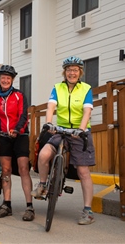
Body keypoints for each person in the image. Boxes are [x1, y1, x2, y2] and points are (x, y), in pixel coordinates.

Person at [31, 56, 96, 225]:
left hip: (79, 132)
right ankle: (43, 185)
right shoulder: (57, 88)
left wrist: (81, 130)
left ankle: (88, 211)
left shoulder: (86, 89)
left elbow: (87, 111)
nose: (71, 73)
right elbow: (51, 106)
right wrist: (49, 123)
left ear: (80, 72)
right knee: (44, 155)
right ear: (64, 72)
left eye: (75, 70)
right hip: (60, 130)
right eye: (69, 70)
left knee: (83, 171)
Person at [0, 65, 35, 221]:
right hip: (3, 137)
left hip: (20, 135)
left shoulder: (19, 95)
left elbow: (24, 116)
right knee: (6, 170)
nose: (5, 80)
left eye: (8, 78)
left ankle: (29, 206)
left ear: (12, 80)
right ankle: (6, 205)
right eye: (3, 77)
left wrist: (16, 130)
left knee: (23, 169)